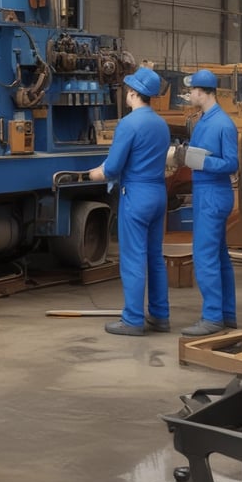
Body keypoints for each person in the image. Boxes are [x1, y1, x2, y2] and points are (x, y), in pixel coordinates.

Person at [88, 66, 171, 336]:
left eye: (127, 90)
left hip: (136, 195)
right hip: (158, 194)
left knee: (133, 258)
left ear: (134, 93)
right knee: (155, 257)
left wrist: (95, 174)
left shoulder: (129, 124)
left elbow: (112, 168)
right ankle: (160, 316)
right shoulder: (161, 125)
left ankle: (133, 320)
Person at [177, 69, 239, 336]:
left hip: (214, 193)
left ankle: (212, 317)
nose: (189, 95)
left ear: (202, 92)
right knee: (219, 257)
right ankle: (227, 314)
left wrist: (198, 160)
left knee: (204, 257)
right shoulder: (202, 120)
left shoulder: (223, 124)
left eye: (191, 91)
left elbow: (232, 163)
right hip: (207, 192)